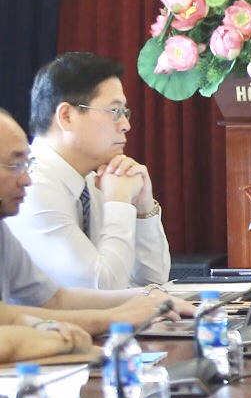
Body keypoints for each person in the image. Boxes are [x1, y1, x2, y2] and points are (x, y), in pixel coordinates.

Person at [0, 109, 172, 335]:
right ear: (67, 116)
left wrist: (154, 299)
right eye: (15, 165)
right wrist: (117, 318)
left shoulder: (99, 179)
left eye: (26, 164)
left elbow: (54, 299)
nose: (26, 180)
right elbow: (7, 317)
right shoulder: (40, 189)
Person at [14, 52, 172, 290]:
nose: (126, 125)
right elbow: (103, 289)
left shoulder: (93, 180)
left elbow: (153, 282)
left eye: (125, 113)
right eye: (115, 112)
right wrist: (119, 202)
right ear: (67, 116)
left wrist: (143, 207)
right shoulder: (32, 186)